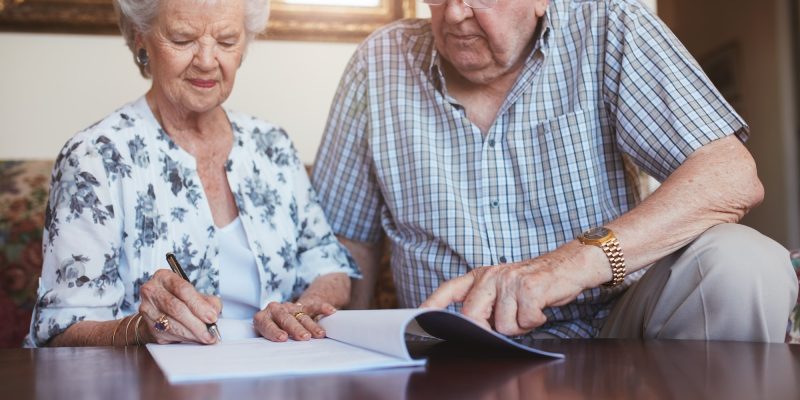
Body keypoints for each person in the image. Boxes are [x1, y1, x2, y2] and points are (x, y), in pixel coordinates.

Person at [312, 0, 798, 342]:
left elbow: (731, 174)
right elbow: (343, 243)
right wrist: (325, 321)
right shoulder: (378, 62)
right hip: (444, 347)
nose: (455, 13)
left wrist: (570, 265)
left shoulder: (609, 24)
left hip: (616, 328)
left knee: (745, 262)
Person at [26, 0, 359, 348]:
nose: (206, 60)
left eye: (227, 41)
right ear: (142, 41)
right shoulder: (95, 158)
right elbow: (59, 328)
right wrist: (143, 329)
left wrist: (301, 312)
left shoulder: (271, 146)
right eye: (183, 39)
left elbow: (329, 264)